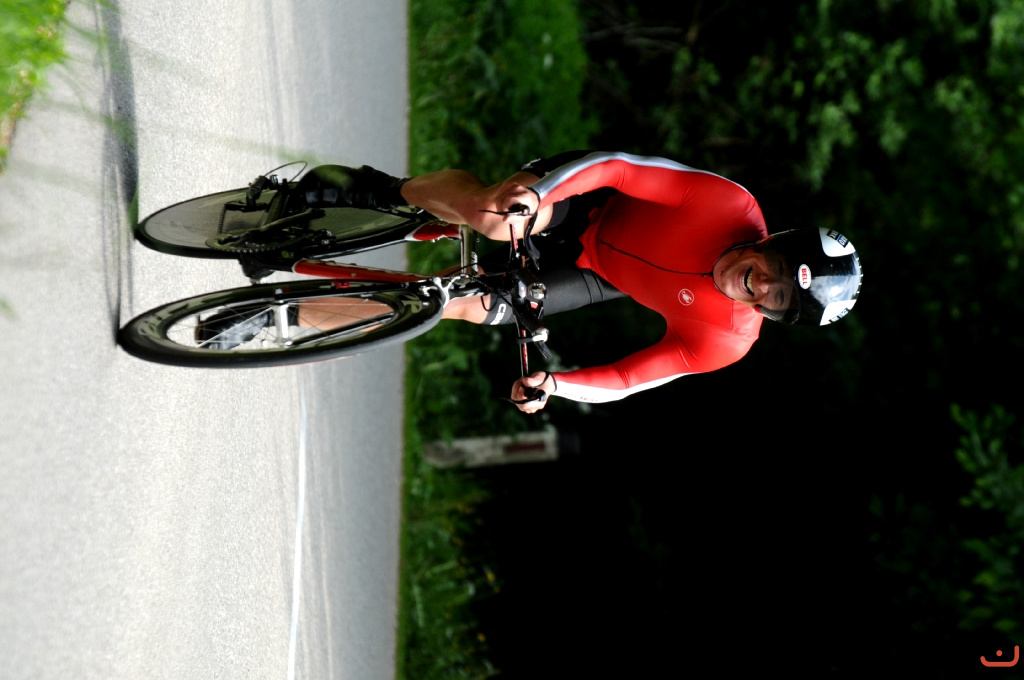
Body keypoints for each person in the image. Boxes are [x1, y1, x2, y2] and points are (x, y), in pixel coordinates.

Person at [214, 152, 864, 412]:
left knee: (453, 304)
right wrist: (539, 196)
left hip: (594, 272)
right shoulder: (727, 204)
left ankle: (276, 316)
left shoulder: (726, 340)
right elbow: (619, 167)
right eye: (778, 268)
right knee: (497, 218)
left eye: (778, 297)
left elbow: (630, 378)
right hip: (589, 200)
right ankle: (376, 190)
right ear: (773, 242)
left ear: (774, 315)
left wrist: (555, 385)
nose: (762, 283)